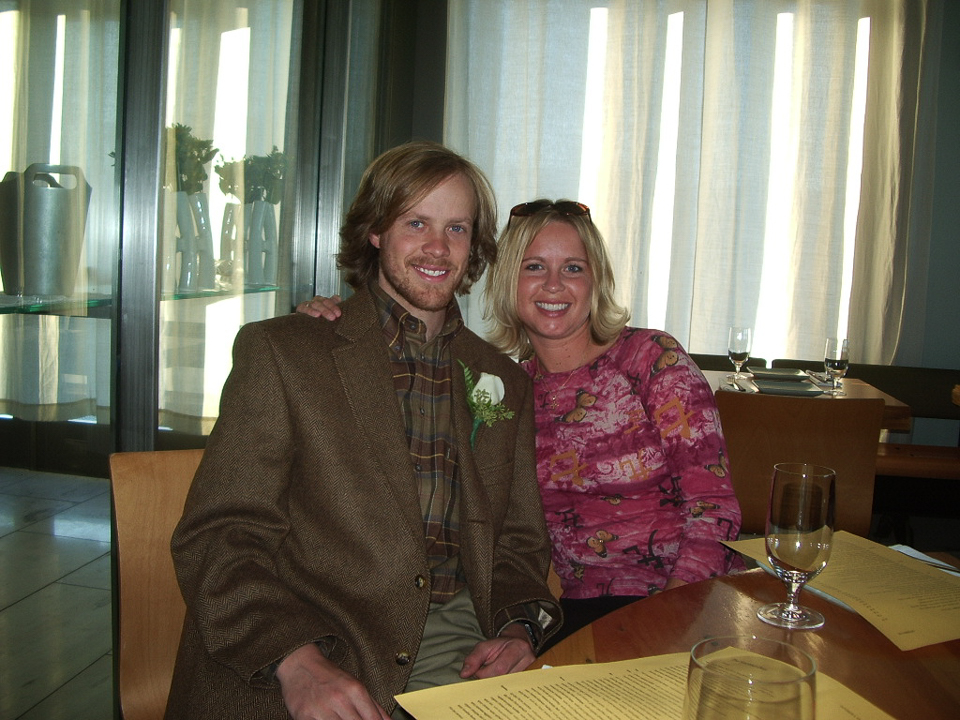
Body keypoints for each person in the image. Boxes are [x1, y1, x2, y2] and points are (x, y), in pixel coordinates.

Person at [166, 143, 561, 720]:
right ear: (375, 231)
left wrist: (520, 627)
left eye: (456, 228)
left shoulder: (502, 380)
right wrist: (296, 661)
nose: (438, 247)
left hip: (462, 650)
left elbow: (519, 544)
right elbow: (221, 532)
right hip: (313, 644)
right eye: (416, 223)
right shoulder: (286, 352)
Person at [301, 198, 743, 650]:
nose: (553, 285)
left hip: (690, 605)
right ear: (509, 280)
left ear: (596, 281)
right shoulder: (504, 389)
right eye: (534, 267)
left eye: (573, 268)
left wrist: (669, 620)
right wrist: (329, 329)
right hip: (579, 615)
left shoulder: (650, 359)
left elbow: (714, 510)